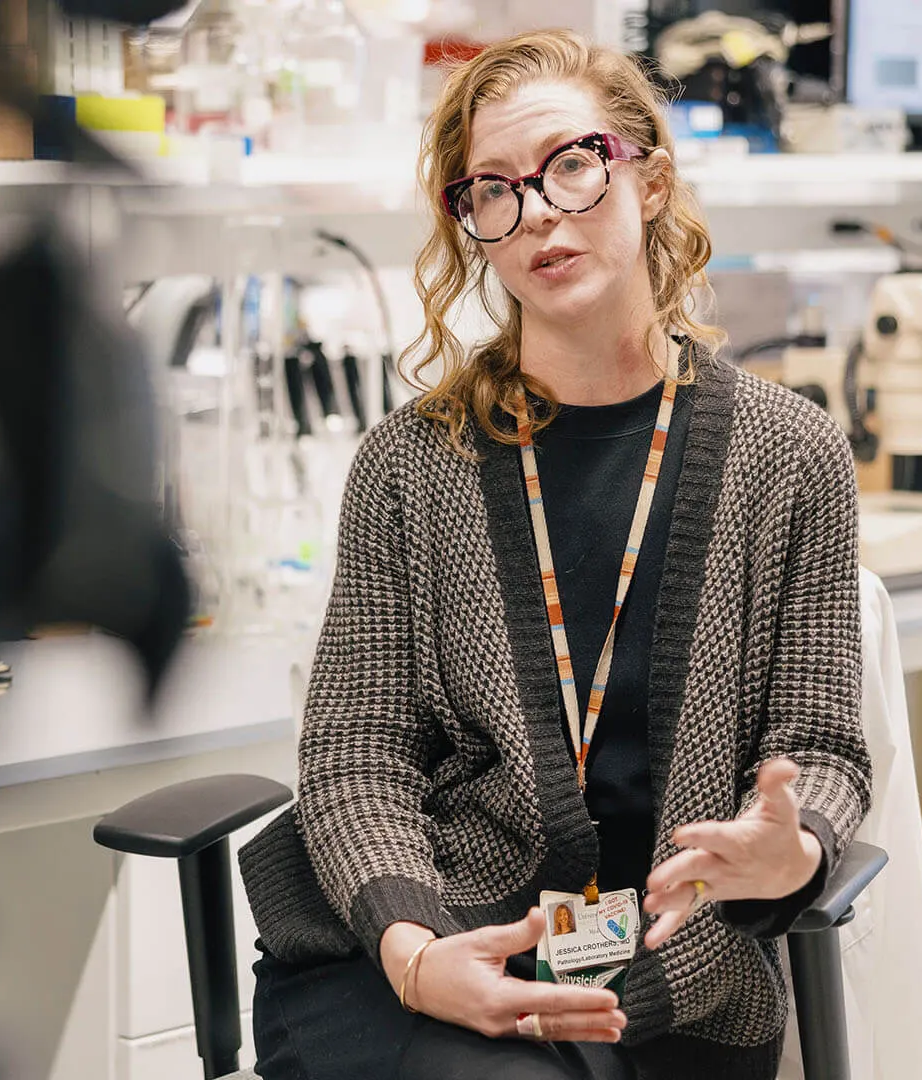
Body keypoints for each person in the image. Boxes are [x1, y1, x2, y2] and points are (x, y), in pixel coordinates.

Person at [236, 29, 871, 1080]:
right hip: (436, 941)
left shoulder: (791, 454)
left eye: (571, 166)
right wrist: (416, 954)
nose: (537, 213)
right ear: (472, 226)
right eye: (494, 190)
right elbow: (357, 752)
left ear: (649, 181)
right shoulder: (410, 464)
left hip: (677, 979)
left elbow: (825, 748)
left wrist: (791, 851)